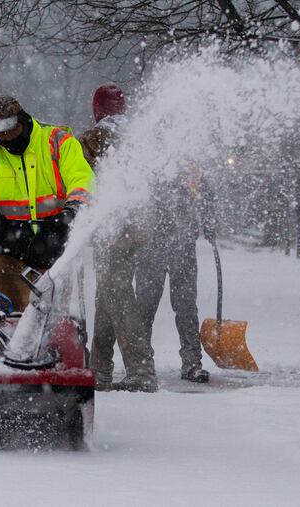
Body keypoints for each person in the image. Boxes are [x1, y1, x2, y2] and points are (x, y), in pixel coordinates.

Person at [0, 96, 94, 312]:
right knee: (9, 322)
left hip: (54, 245)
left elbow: (82, 181)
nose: (7, 137)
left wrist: (71, 212)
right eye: (0, 133)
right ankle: (9, 343)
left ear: (23, 120)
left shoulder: (59, 142)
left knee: (54, 322)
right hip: (8, 249)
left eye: (11, 129)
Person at [79, 83, 158, 393]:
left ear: (97, 109)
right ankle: (98, 369)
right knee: (108, 294)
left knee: (119, 296)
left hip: (114, 229)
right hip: (139, 224)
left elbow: (77, 176)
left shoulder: (95, 137)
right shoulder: (140, 135)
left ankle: (141, 370)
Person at [135, 164, 215, 383]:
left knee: (187, 307)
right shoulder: (148, 159)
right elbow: (134, 197)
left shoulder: (190, 164)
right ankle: (142, 364)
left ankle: (192, 363)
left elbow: (205, 193)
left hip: (183, 245)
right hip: (150, 244)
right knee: (145, 306)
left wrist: (209, 221)